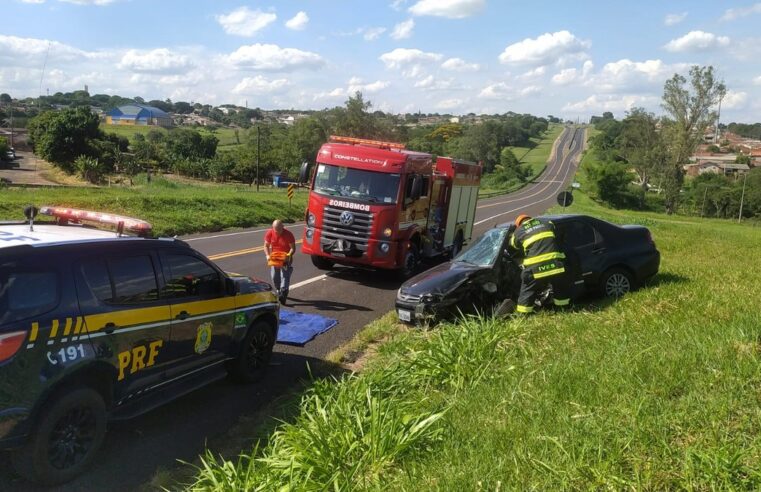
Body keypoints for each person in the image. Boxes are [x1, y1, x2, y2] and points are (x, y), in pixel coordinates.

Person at [508, 214, 571, 314]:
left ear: (518, 224)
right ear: (530, 219)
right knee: (560, 287)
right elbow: (555, 232)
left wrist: (513, 233)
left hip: (535, 268)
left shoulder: (519, 231)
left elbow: (513, 245)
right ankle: (563, 310)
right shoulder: (547, 222)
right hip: (556, 264)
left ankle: (523, 315)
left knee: (527, 290)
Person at [264, 219, 296, 305]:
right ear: (273, 228)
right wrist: (267, 256)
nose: (278, 232)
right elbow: (266, 246)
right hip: (275, 258)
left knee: (284, 276)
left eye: (279, 230)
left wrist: (288, 255)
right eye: (276, 231)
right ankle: (278, 289)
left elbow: (293, 248)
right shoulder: (269, 233)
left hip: (286, 258)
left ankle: (283, 293)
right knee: (275, 276)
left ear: (283, 227)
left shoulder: (289, 234)